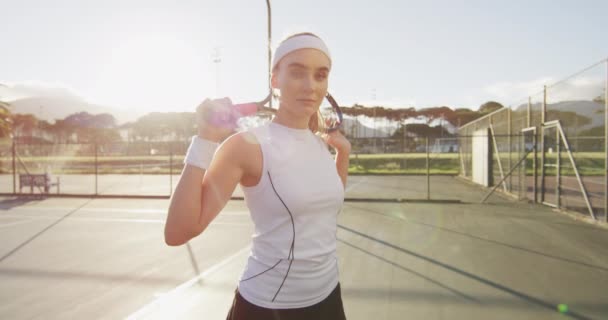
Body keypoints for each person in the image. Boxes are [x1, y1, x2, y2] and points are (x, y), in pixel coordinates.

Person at [164, 32, 350, 320]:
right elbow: (178, 231)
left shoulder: (318, 143)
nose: (311, 86)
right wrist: (206, 138)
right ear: (275, 80)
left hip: (328, 298)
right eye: (298, 72)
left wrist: (343, 155)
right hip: (267, 307)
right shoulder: (246, 147)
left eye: (320, 75)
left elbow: (329, 202)